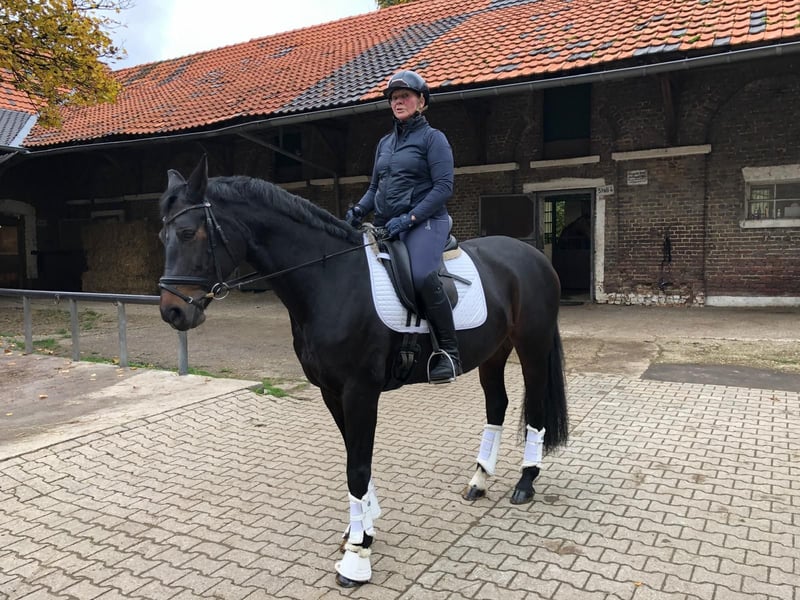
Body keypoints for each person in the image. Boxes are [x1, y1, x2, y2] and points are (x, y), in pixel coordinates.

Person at [345, 70, 460, 384]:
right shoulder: (385, 143)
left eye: (405, 96)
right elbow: (375, 188)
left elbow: (443, 187)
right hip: (386, 224)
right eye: (394, 98)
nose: (398, 102)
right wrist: (358, 210)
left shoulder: (433, 139)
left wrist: (408, 219)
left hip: (425, 222)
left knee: (421, 275)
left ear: (421, 102)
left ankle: (449, 352)